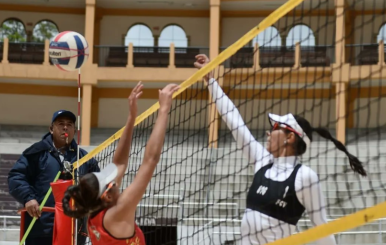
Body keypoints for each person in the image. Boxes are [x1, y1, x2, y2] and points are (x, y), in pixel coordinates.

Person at [194, 54, 366, 245]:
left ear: (290, 137)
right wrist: (211, 81)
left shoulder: (305, 177)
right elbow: (233, 120)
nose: (269, 133)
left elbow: (322, 228)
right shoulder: (262, 160)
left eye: (276, 129)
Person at [61, 82, 180, 245]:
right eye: (110, 181)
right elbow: (150, 161)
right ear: (107, 196)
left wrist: (131, 117)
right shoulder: (118, 212)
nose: (113, 178)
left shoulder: (95, 210)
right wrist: (164, 109)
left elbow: (119, 163)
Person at [8, 109, 100, 245]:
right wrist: (28, 198)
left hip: (74, 230)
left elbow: (98, 185)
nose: (65, 127)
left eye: (69, 124)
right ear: (51, 129)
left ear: (74, 130)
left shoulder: (85, 158)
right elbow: (16, 176)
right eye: (60, 123)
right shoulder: (36, 152)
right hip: (40, 228)